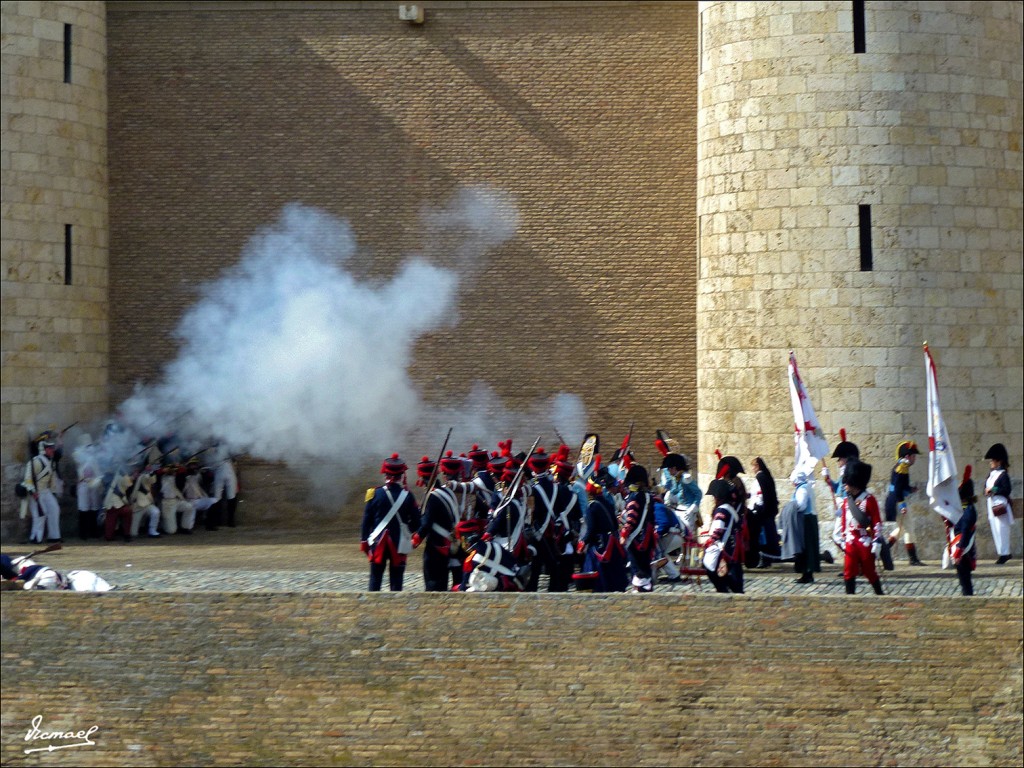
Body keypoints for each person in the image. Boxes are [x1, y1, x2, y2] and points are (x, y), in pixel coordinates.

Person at [360, 453, 421, 592]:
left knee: (375, 580)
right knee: (396, 582)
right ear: (401, 475)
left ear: (385, 474)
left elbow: (366, 521)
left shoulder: (374, 493)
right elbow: (417, 524)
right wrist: (406, 528)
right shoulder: (408, 496)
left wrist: (364, 541)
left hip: (377, 543)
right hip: (399, 543)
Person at [412, 452, 465, 592]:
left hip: (436, 545)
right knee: (442, 580)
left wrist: (416, 539)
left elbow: (427, 523)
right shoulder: (447, 492)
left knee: (433, 583)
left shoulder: (433, 496)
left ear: (423, 479)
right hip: (449, 543)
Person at [576, 463, 628, 593]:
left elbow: (591, 528)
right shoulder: (608, 503)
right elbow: (615, 525)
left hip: (599, 543)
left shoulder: (591, 506)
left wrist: (583, 542)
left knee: (596, 573)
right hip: (611, 541)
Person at [835, 459, 884, 595]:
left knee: (869, 571)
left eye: (847, 482)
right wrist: (843, 538)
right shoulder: (847, 501)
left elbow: (876, 522)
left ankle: (879, 593)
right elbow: (844, 522)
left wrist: (876, 540)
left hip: (865, 540)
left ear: (854, 482)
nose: (844, 485)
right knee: (848, 570)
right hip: (851, 540)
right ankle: (849, 596)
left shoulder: (869, 500)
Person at [885, 441, 925, 565]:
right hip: (897, 501)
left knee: (902, 529)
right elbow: (897, 489)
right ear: (907, 456)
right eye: (913, 456)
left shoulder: (903, 467)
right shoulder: (902, 468)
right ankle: (912, 559)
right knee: (909, 528)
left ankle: (884, 550)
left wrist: (910, 489)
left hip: (895, 499)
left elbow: (901, 486)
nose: (915, 458)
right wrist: (902, 505)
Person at [619, 464, 657, 593]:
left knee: (636, 566)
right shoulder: (648, 497)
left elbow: (631, 518)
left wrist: (624, 534)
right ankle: (646, 586)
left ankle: (640, 589)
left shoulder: (634, 497)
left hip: (635, 538)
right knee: (644, 564)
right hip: (647, 536)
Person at [702, 478, 744, 593]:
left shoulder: (721, 510)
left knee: (709, 567)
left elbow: (718, 529)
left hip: (723, 548)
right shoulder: (731, 509)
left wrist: (709, 541)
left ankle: (723, 590)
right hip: (731, 548)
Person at [22, 434, 62, 544]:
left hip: (46, 491)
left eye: (52, 448)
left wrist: (53, 491)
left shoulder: (51, 461)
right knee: (40, 515)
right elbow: (28, 479)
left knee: (55, 509)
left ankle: (54, 536)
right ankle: (35, 537)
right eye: (50, 449)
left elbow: (52, 477)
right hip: (36, 492)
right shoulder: (35, 461)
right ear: (44, 450)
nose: (52, 450)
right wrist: (33, 492)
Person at [983, 443, 1015, 564]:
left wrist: (994, 490)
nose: (991, 462)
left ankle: (1005, 553)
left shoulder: (1003, 475)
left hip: (1001, 504)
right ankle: (1001, 552)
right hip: (991, 504)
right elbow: (985, 488)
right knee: (995, 529)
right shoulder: (991, 475)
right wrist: (987, 491)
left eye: (993, 460)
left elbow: (1007, 489)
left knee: (1002, 529)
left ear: (999, 461)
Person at [949, 466, 978, 595]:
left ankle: (969, 599)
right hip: (962, 547)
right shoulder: (963, 509)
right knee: (962, 579)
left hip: (964, 549)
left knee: (965, 580)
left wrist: (958, 552)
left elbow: (965, 531)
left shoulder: (969, 511)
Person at [749, 457, 780, 568]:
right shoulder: (766, 476)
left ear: (757, 466)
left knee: (762, 537)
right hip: (767, 511)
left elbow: (762, 496)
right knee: (767, 536)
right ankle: (768, 558)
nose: (752, 469)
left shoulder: (760, 477)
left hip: (762, 512)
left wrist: (758, 509)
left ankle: (765, 558)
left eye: (753, 466)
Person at [790, 469, 819, 584]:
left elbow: (801, 506)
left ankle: (806, 574)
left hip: (805, 520)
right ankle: (808, 573)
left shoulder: (802, 489)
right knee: (809, 547)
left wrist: (791, 506)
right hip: (810, 519)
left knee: (806, 547)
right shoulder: (807, 487)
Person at [73, 434, 103, 540]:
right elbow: (77, 458)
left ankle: (93, 531)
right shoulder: (78, 454)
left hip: (93, 484)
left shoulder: (94, 458)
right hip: (83, 484)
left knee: (94, 508)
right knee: (83, 509)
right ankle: (83, 533)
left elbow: (98, 472)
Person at [158, 461, 195, 535]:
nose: (172, 471)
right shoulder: (161, 477)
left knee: (190, 507)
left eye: (173, 470)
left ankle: (185, 527)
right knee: (171, 531)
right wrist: (165, 469)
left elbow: (183, 473)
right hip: (167, 503)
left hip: (176, 500)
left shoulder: (176, 477)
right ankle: (163, 525)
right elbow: (157, 473)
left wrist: (178, 466)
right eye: (170, 469)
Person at [210, 448, 240, 529]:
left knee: (232, 496)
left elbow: (236, 455)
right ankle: (216, 520)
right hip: (218, 469)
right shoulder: (214, 446)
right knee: (216, 497)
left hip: (229, 469)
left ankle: (231, 520)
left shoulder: (229, 444)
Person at [102, 468, 134, 542]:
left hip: (112, 505)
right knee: (128, 512)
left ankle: (125, 535)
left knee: (127, 512)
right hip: (114, 505)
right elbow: (129, 483)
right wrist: (125, 474)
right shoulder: (120, 477)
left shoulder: (104, 477)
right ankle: (126, 535)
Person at [129, 465, 161, 538]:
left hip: (147, 503)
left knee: (156, 512)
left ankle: (152, 531)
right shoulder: (128, 478)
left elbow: (152, 480)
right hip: (136, 506)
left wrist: (150, 471)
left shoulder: (144, 476)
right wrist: (133, 477)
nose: (136, 470)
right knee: (133, 533)